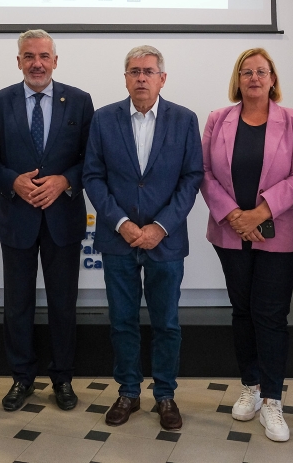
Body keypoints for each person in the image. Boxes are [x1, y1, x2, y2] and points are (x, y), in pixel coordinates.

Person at [83, 45, 203, 431]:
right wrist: (121, 222)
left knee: (166, 322)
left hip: (165, 241)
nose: (141, 78)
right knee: (122, 321)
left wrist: (160, 226)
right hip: (118, 239)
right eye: (134, 71)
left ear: (162, 78)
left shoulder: (184, 120)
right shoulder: (104, 119)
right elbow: (92, 176)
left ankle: (165, 395)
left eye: (148, 72)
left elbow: (192, 177)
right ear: (125, 78)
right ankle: (128, 392)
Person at [200, 48, 293, 442]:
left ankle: (272, 400)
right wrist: (236, 216)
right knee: (243, 311)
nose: (253, 78)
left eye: (261, 71)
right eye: (246, 72)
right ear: (238, 79)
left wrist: (260, 213)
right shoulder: (218, 119)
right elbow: (205, 173)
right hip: (230, 233)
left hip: (280, 233)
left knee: (271, 314)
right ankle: (250, 385)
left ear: (272, 79)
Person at [0, 29, 94, 412]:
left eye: (44, 56)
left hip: (63, 219)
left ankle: (63, 378)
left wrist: (65, 181)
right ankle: (22, 378)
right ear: (18, 61)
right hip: (18, 218)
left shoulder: (79, 101)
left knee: (63, 305)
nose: (37, 63)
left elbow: (91, 159)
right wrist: (12, 181)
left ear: (55, 61)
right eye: (29, 56)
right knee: (17, 305)